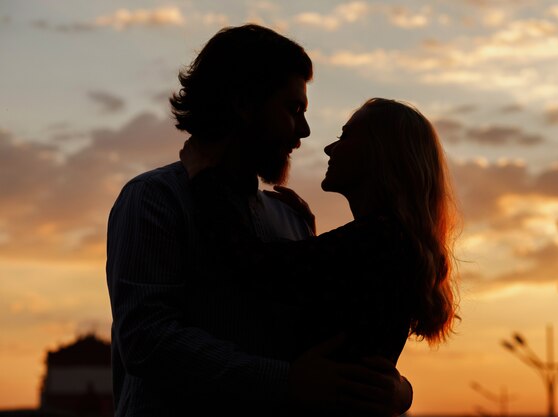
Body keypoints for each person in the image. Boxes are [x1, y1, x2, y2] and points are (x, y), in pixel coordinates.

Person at [106, 24, 412, 417]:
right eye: (293, 109)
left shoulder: (291, 218)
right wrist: (284, 382)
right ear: (243, 104)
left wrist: (398, 390)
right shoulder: (155, 199)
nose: (304, 131)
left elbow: (335, 346)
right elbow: (147, 341)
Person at [187, 97, 460, 399]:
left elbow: (255, 266)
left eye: (345, 136)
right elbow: (329, 286)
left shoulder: (378, 241)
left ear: (378, 152)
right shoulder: (389, 241)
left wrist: (202, 179)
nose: (330, 148)